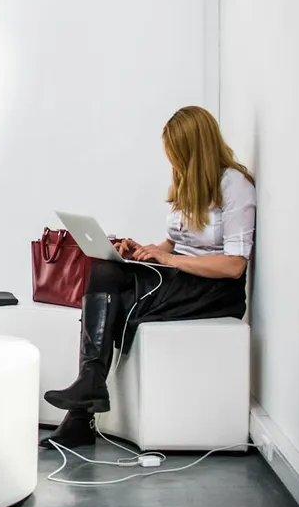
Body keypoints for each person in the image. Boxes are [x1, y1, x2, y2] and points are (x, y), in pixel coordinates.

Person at [40, 105, 256, 449]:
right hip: (182, 278)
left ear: (194, 150)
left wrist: (168, 258)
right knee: (106, 270)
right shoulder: (189, 184)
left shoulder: (235, 186)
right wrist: (144, 250)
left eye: (178, 155)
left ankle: (82, 410)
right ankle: (88, 391)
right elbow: (175, 243)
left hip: (216, 290)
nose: (174, 163)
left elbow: (234, 266)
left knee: (114, 296)